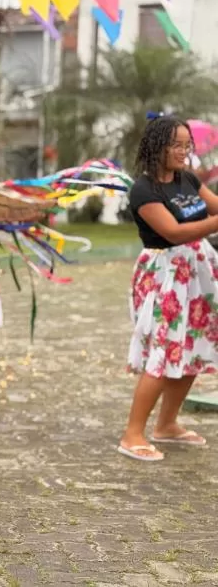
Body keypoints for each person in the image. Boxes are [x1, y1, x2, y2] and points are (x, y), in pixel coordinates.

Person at [119, 115, 218, 461]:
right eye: (176, 144)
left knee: (192, 346)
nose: (183, 151)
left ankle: (167, 424)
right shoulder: (144, 189)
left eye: (187, 145)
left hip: (197, 272)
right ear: (157, 146)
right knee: (163, 350)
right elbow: (174, 232)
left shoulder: (187, 179)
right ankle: (132, 434)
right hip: (165, 275)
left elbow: (214, 206)